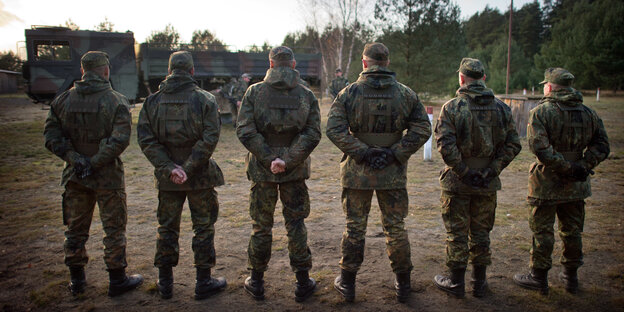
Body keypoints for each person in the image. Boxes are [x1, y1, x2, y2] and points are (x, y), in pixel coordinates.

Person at [326, 42, 431, 303]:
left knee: (354, 226)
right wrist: (395, 152)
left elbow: (334, 129)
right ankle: (403, 284)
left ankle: (348, 283)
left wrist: (363, 152)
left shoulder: (349, 93)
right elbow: (422, 128)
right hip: (392, 172)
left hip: (358, 171)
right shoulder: (405, 94)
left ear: (365, 63)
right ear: (386, 63)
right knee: (395, 227)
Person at [43, 51, 143, 297]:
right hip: (107, 176)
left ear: (82, 71)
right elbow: (119, 141)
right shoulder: (116, 101)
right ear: (106, 71)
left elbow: (51, 137)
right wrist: (96, 161)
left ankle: (77, 281)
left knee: (75, 229)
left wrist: (77, 160)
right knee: (114, 228)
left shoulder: (61, 101)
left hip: (76, 176)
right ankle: (117, 279)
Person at [137, 51, 226, 300]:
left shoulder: (152, 102)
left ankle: (165, 284)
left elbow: (146, 140)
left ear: (169, 71)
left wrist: (169, 168)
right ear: (192, 71)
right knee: (203, 228)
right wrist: (187, 168)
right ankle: (203, 281)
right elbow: (210, 138)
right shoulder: (205, 100)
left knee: (166, 228)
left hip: (168, 179)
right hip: (199, 177)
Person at [513, 68, 609, 295]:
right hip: (577, 184)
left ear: (551, 87)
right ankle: (571, 277)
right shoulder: (588, 113)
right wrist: (583, 165)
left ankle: (538, 277)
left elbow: (540, 149)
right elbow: (602, 145)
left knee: (543, 231)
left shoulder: (542, 113)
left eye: (546, 84)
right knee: (572, 231)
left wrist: (568, 167)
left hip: (546, 183)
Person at [236, 46, 321, 302]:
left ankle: (257, 281)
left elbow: (245, 129)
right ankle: (303, 282)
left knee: (261, 225)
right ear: (293, 65)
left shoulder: (254, 92)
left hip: (263, 170)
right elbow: (312, 133)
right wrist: (288, 160)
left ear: (271, 65)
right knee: (295, 223)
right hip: (293, 171)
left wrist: (269, 158)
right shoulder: (306, 94)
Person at [432, 58, 521, 298]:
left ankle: (456, 282)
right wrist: (492, 170)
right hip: (487, 182)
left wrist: (464, 171)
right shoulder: (502, 108)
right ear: (483, 79)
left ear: (461, 78)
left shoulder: (452, 107)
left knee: (457, 233)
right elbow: (513, 144)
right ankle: (479, 284)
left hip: (458, 183)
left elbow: (445, 146)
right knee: (481, 233)